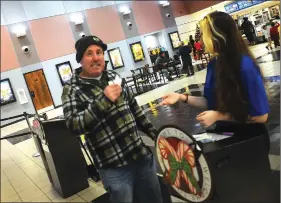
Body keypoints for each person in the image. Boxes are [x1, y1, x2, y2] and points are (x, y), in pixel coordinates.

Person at [61, 35, 162, 203]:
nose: (95, 57)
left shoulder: (114, 76)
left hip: (141, 157)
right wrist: (103, 101)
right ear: (80, 60)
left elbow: (135, 110)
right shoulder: (72, 89)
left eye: (99, 52)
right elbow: (73, 125)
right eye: (89, 53)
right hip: (113, 168)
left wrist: (156, 135)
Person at [161, 11, 269, 128]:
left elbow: (261, 117)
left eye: (203, 35)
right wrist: (181, 97)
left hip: (249, 137)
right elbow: (210, 101)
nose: (201, 41)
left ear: (218, 36)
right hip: (225, 134)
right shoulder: (214, 64)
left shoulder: (245, 66)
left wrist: (220, 116)